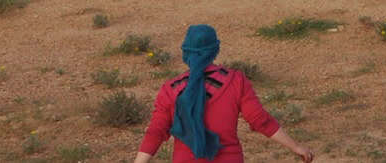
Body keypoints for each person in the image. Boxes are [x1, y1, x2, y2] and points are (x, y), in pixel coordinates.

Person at [133, 24, 315, 163]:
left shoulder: (171, 89)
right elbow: (260, 120)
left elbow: (156, 132)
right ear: (215, 51)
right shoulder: (235, 81)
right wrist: (296, 147)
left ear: (185, 53)